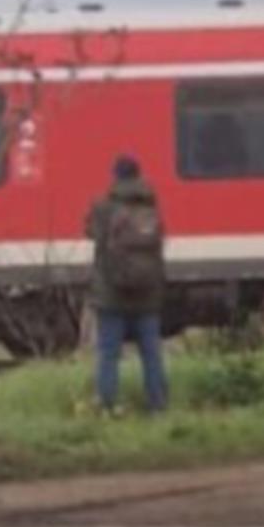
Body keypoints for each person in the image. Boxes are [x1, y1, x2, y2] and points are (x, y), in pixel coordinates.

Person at [85, 154, 170, 413]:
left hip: (111, 294)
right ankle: (158, 405)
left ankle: (107, 405)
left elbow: (89, 232)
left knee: (109, 354)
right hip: (148, 294)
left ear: (116, 176)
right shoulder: (151, 207)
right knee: (151, 354)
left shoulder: (103, 206)